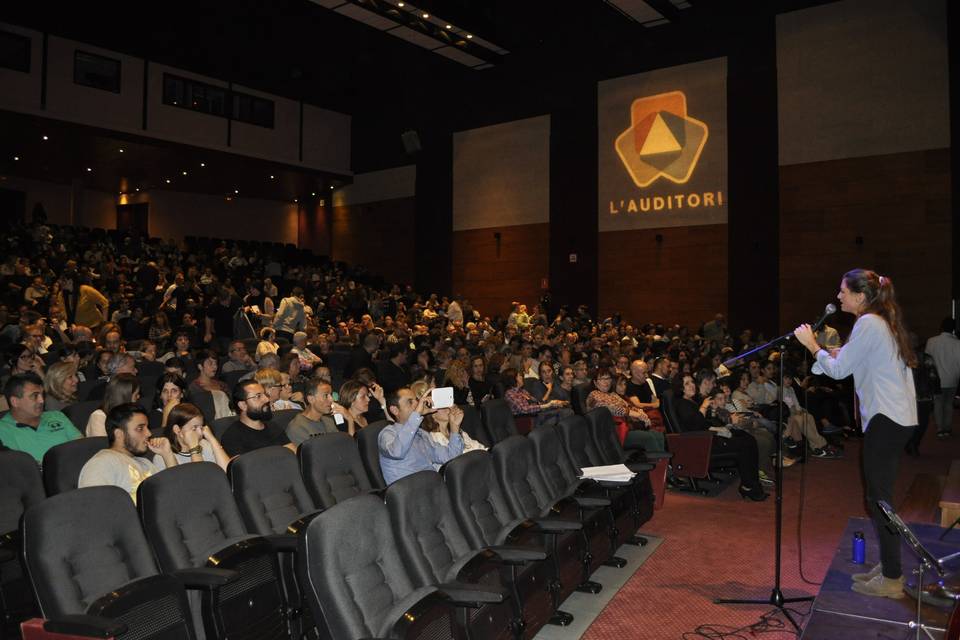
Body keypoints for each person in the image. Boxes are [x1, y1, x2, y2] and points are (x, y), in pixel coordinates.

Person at [794, 269, 917, 599]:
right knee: (878, 497)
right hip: (895, 417)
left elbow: (837, 370)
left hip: (887, 418)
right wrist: (831, 355)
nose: (839, 297)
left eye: (843, 291)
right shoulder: (878, 322)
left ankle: (892, 579)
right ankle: (890, 568)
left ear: (860, 296)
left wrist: (812, 345)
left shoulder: (868, 323)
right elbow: (848, 364)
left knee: (879, 499)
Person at [672, 374, 767, 501]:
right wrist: (704, 407)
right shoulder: (682, 404)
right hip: (702, 443)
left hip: (709, 438)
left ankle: (752, 483)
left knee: (748, 439)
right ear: (681, 388)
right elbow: (695, 426)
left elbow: (707, 422)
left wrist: (714, 415)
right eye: (687, 384)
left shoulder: (692, 402)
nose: (692, 385)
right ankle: (748, 486)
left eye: (692, 382)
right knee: (744, 445)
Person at [78, 403, 176, 502]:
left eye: (147, 427)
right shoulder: (100, 463)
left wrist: (167, 454)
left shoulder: (146, 463)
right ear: (119, 434)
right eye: (140, 428)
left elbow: (175, 494)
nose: (149, 433)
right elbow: (94, 508)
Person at [378, 386, 463, 485]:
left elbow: (451, 457)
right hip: (409, 493)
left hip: (433, 488)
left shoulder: (422, 434)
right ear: (395, 410)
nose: (418, 404)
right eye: (410, 402)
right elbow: (397, 452)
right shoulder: (387, 433)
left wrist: (454, 428)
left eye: (417, 400)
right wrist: (417, 414)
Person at [0, 372, 82, 463]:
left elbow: (82, 446)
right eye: (35, 396)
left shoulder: (57, 416)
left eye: (42, 395)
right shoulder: (3, 429)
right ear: (15, 402)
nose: (41, 400)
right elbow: (17, 468)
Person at [586, 367, 665, 453]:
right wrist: (636, 414)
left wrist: (640, 412)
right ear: (595, 382)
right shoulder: (594, 395)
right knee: (648, 437)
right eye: (602, 379)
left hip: (625, 427)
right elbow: (613, 409)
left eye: (608, 378)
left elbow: (628, 405)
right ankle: (659, 464)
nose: (606, 382)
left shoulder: (612, 394)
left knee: (658, 435)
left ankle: (664, 463)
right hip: (612, 433)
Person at [220, 380, 294, 456]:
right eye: (258, 396)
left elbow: (294, 454)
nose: (266, 399)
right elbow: (244, 466)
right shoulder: (232, 437)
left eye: (265, 394)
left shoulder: (273, 426)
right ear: (243, 405)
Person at [157, 402, 230, 471]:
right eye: (194, 428)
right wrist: (194, 448)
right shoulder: (163, 456)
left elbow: (227, 471)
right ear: (177, 430)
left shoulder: (204, 444)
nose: (200, 432)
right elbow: (198, 480)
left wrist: (212, 439)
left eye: (201, 427)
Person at [925, 317, 959, 438]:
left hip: (936, 380)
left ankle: (940, 428)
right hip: (952, 379)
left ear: (942, 327)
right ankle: (947, 428)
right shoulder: (957, 343)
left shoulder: (931, 341)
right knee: (949, 404)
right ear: (953, 329)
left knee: (938, 404)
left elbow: (927, 361)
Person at [286, 378, 340, 444]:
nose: (331, 399)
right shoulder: (297, 428)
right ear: (311, 399)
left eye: (331, 395)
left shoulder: (329, 421)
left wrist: (350, 420)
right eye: (326, 395)